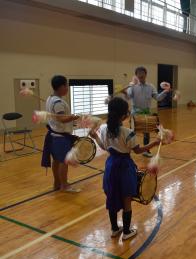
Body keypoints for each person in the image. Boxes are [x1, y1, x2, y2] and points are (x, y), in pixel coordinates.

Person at [89, 97, 161, 240]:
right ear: (124, 115)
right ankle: (127, 232)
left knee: (112, 196)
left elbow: (104, 147)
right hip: (125, 167)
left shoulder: (104, 129)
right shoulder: (128, 133)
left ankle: (115, 229)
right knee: (126, 199)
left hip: (110, 166)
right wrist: (154, 143)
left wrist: (95, 137)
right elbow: (138, 151)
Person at [41, 75, 80, 193]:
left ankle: (57, 183)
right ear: (61, 86)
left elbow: (59, 117)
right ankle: (64, 185)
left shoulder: (50, 98)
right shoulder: (57, 102)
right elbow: (62, 119)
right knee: (63, 161)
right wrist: (74, 117)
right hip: (60, 137)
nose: (67, 88)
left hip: (53, 135)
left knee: (57, 160)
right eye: (66, 85)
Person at [124, 66, 170, 157]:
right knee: (131, 132)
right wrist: (125, 92)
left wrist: (165, 91)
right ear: (136, 75)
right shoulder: (132, 86)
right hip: (135, 113)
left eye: (142, 73)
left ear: (146, 74)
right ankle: (126, 149)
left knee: (146, 132)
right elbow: (128, 97)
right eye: (139, 73)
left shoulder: (151, 86)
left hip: (146, 113)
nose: (141, 75)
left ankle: (146, 150)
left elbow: (157, 98)